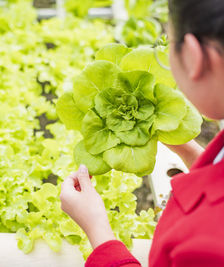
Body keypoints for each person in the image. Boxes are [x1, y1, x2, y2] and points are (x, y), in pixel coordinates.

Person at [59, 0, 224, 266]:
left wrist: (97, 230)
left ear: (194, 56)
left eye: (169, 45)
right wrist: (193, 154)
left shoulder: (205, 244)